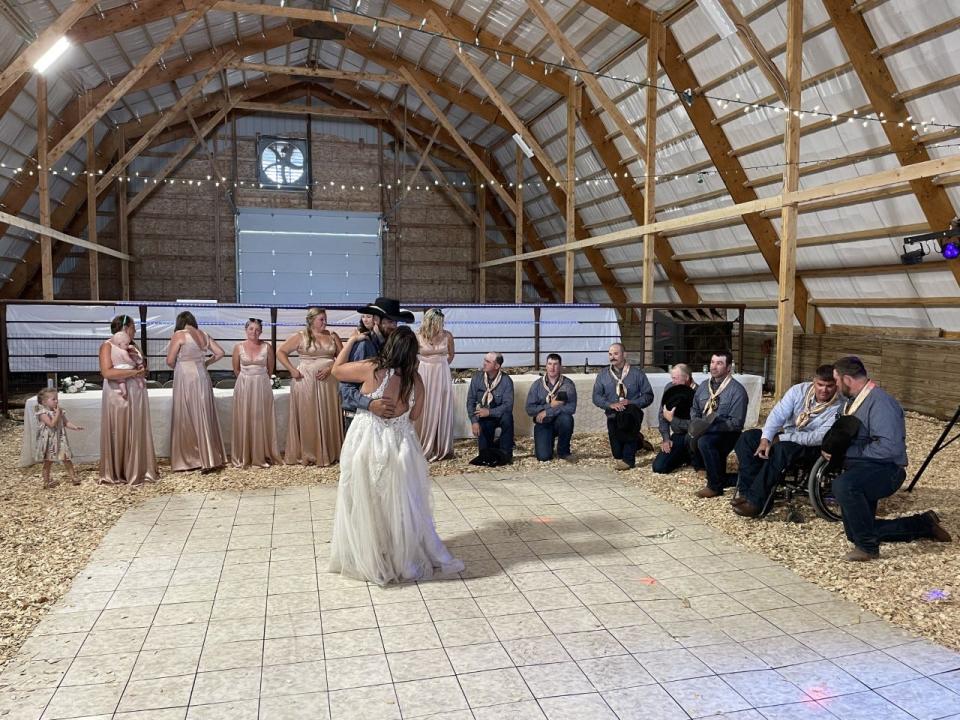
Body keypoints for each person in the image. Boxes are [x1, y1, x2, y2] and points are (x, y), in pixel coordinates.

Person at [329, 326, 465, 585]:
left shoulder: (372, 367)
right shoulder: (416, 380)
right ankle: (400, 554)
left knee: (366, 499)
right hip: (402, 446)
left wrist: (349, 343)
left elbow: (337, 371)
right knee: (402, 502)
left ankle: (371, 552)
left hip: (368, 440)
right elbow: (415, 416)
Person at [827, 356, 951, 561]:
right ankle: (922, 524)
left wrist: (846, 453)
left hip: (886, 469)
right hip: (863, 467)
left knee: (844, 486)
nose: (836, 386)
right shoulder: (852, 402)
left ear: (847, 379)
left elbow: (889, 448)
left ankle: (867, 548)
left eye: (837, 380)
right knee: (855, 531)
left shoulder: (881, 404)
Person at [731, 365, 841, 518]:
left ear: (837, 385)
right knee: (747, 438)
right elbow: (777, 415)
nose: (824, 390)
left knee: (782, 449)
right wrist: (766, 438)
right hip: (788, 436)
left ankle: (755, 502)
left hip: (813, 447)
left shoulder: (840, 405)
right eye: (820, 385)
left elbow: (817, 437)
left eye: (830, 386)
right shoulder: (798, 391)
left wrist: (779, 438)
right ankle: (747, 493)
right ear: (813, 381)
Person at [277, 307, 344, 466]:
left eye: (325, 319)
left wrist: (331, 368)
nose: (325, 322)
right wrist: (292, 370)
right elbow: (281, 352)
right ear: (312, 320)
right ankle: (310, 453)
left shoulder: (333, 336)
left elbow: (342, 356)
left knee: (329, 414)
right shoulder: (300, 336)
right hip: (305, 381)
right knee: (308, 415)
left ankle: (330, 451)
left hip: (329, 382)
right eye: (321, 319)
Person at [98, 314, 158, 485]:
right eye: (133, 327)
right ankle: (119, 470)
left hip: (136, 392)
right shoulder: (107, 346)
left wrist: (142, 370)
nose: (135, 330)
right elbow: (107, 372)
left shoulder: (133, 347)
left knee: (136, 427)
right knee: (120, 426)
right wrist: (133, 373)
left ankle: (138, 467)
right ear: (125, 328)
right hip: (118, 393)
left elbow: (142, 367)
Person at [340, 297, 414, 431]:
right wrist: (370, 404)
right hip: (359, 417)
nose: (394, 326)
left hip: (381, 421)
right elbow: (345, 388)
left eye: (395, 322)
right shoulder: (364, 345)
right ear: (376, 320)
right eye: (390, 321)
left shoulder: (391, 345)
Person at [166, 311, 227, 473]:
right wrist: (205, 363)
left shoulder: (179, 335)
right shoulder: (204, 334)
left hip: (186, 377)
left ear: (179, 322)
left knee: (186, 415)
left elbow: (170, 360)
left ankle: (191, 459)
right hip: (202, 375)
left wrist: (179, 367)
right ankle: (210, 456)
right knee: (204, 413)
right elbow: (220, 352)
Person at [690, 350, 749, 498]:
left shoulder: (737, 391)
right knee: (689, 438)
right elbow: (695, 409)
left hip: (728, 433)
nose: (714, 367)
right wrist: (696, 422)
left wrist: (711, 427)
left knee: (705, 442)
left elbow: (736, 423)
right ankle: (723, 477)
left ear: (729, 368)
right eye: (712, 362)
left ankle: (714, 487)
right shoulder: (703, 386)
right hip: (706, 429)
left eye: (719, 363)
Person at [592, 343, 653, 471]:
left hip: (632, 413)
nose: (612, 357)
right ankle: (638, 441)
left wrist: (632, 402)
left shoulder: (637, 374)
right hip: (613, 414)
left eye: (615, 353)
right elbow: (596, 397)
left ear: (624, 354)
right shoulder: (603, 375)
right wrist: (610, 404)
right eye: (610, 354)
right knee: (617, 453)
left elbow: (648, 396)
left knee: (629, 420)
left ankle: (629, 461)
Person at [231, 318, 282, 468]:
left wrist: (259, 379)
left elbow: (270, 368)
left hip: (262, 384)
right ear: (246, 330)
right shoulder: (238, 347)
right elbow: (236, 369)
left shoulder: (267, 347)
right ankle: (245, 454)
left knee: (261, 417)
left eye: (257, 329)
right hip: (244, 385)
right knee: (245, 416)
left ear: (261, 331)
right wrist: (247, 379)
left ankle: (263, 453)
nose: (254, 332)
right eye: (251, 329)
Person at [415, 308, 456, 461]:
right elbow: (412, 355)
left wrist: (441, 364)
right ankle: (422, 444)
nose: (441, 326)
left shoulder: (447, 335)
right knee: (424, 406)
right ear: (429, 322)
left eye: (442, 323)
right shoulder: (417, 336)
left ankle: (440, 447)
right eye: (438, 323)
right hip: (424, 373)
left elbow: (451, 354)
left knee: (441, 406)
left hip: (441, 374)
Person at [525, 353, 577, 462]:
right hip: (543, 423)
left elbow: (570, 408)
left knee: (567, 419)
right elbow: (529, 409)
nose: (552, 367)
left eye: (555, 364)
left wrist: (547, 412)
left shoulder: (567, 385)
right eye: (550, 364)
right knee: (543, 457)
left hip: (559, 422)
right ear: (546, 366)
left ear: (560, 366)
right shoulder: (537, 385)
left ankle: (563, 451)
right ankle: (547, 443)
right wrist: (550, 406)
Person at [466, 352, 515, 465]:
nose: (484, 363)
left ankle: (506, 452)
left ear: (497, 366)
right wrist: (474, 421)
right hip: (484, 416)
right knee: (484, 455)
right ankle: (492, 447)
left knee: (508, 417)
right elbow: (470, 401)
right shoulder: (477, 378)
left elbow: (508, 406)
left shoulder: (506, 381)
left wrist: (490, 412)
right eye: (484, 360)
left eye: (488, 362)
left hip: (499, 414)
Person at [652, 364, 697, 474]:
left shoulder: (699, 393)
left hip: (693, 436)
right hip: (678, 435)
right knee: (659, 467)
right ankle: (682, 455)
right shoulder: (670, 388)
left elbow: (696, 424)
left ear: (686, 378)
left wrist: (673, 420)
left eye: (675, 378)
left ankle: (691, 456)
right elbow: (662, 415)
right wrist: (666, 438)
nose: (673, 381)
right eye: (672, 378)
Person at [35, 388, 83, 488]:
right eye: (53, 399)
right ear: (44, 402)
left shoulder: (60, 411)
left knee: (66, 458)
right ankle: (46, 481)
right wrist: (57, 413)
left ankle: (73, 477)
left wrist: (75, 427)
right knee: (48, 461)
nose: (56, 401)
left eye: (57, 399)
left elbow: (65, 422)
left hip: (60, 438)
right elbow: (52, 424)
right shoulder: (42, 413)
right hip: (49, 440)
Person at [107, 331, 144, 399]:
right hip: (125, 367)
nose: (127, 346)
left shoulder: (113, 350)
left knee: (121, 381)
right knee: (136, 374)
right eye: (126, 344)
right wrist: (134, 363)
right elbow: (128, 360)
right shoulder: (123, 352)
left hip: (117, 368)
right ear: (119, 344)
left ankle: (124, 391)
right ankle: (140, 383)